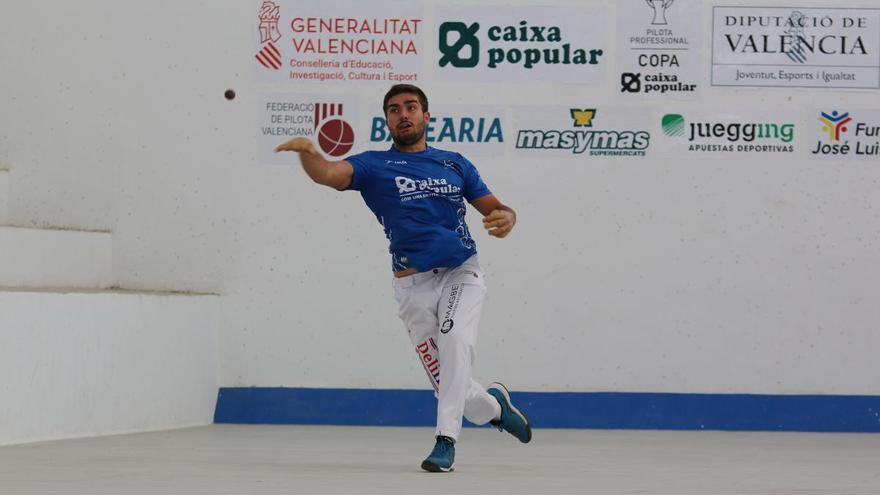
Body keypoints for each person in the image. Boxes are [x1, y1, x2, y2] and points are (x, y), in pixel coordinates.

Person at [275, 84, 530, 472]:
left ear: (426, 116)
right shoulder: (373, 165)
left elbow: (496, 207)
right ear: (387, 120)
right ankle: (495, 407)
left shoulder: (454, 163)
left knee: (455, 338)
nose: (403, 114)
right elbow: (328, 173)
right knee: (450, 383)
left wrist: (507, 218)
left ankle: (445, 442)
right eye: (394, 109)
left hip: (462, 271)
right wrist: (309, 155)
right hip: (410, 286)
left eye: (411, 107)